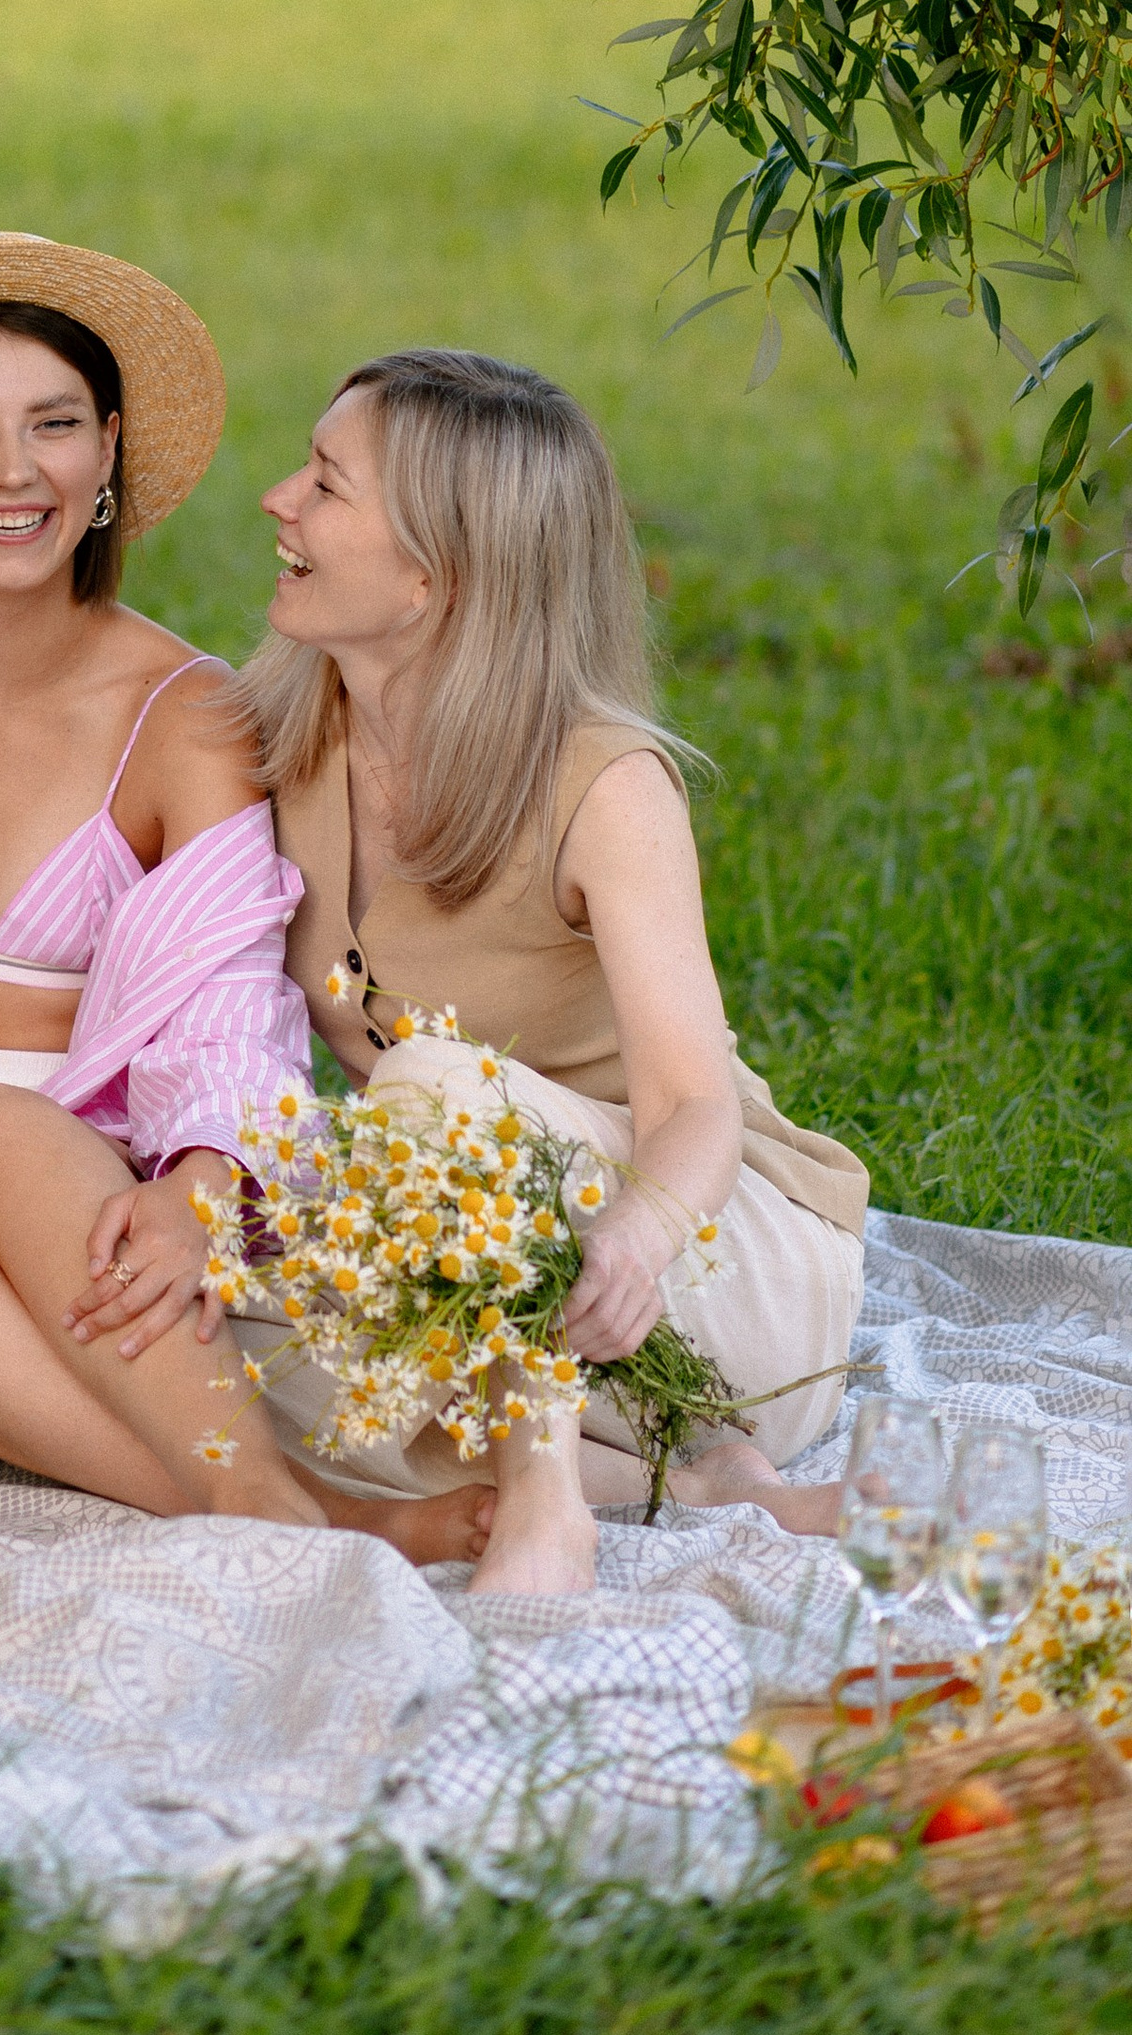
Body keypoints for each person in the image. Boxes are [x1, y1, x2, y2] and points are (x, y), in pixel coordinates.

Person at [0, 231, 490, 1566]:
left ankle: (256, 1501)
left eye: (55, 424)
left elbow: (232, 997)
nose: (12, 470)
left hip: (68, 1215)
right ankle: (305, 1509)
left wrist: (201, 1180)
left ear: (109, 447)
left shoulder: (187, 714)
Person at [248, 348, 867, 1596]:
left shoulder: (602, 782)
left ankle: (549, 1505)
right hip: (481, 1272)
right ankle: (697, 1480)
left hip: (694, 1262)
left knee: (429, 1081)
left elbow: (692, 1102)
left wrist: (636, 1235)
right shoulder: (276, 740)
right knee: (199, 1352)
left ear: (435, 572)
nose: (277, 498)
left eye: (324, 481)